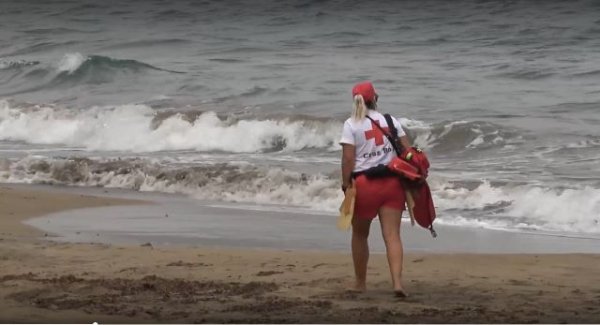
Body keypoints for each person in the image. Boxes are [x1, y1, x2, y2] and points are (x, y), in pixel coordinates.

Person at [339, 81, 412, 297]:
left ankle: (360, 283)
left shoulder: (351, 124)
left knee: (360, 235)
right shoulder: (390, 120)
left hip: (365, 185)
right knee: (392, 236)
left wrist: (346, 185)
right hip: (392, 184)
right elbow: (408, 151)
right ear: (375, 98)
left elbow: (348, 158)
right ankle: (397, 284)